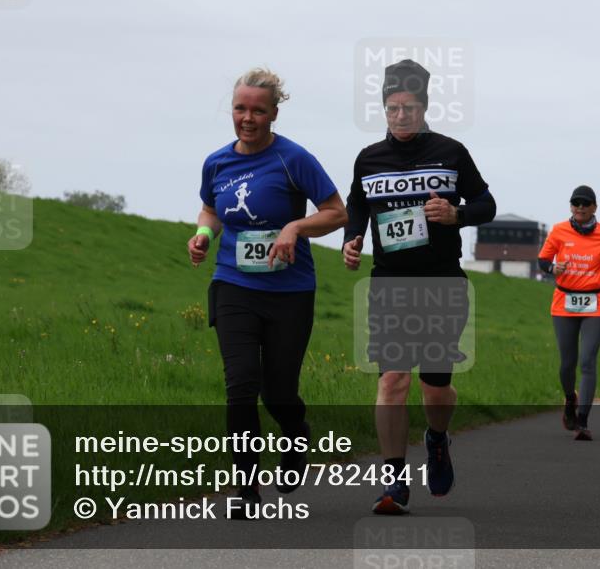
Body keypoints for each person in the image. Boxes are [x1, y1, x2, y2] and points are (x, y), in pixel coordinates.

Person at [188, 68, 348, 514]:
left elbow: (337, 213)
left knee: (278, 392)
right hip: (233, 284)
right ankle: (245, 488)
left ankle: (295, 433)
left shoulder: (293, 159)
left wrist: (295, 226)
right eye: (241, 108)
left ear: (274, 113)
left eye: (258, 110)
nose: (248, 118)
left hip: (289, 292)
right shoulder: (217, 162)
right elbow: (210, 207)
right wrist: (203, 235)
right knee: (241, 386)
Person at [343, 59, 496, 515]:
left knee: (434, 387)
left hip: (441, 282)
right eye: (392, 108)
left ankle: (436, 438)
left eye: (409, 108)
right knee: (392, 380)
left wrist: (457, 215)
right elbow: (357, 204)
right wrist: (351, 238)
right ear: (384, 109)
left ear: (424, 107)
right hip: (390, 283)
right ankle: (393, 483)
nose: (401, 116)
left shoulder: (452, 151)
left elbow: (486, 202)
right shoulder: (369, 158)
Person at [538, 185, 600, 440]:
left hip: (595, 301)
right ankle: (569, 399)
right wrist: (553, 268)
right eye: (575, 203)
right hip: (564, 300)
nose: (580, 207)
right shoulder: (558, 230)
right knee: (567, 363)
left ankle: (583, 420)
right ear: (570, 206)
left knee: (587, 360)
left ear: (594, 207)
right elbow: (542, 260)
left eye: (585, 203)